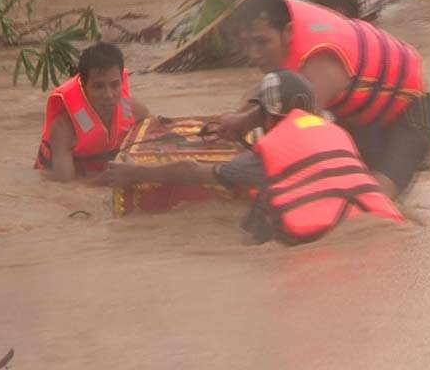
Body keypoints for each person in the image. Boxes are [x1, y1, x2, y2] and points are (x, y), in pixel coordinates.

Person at [105, 71, 403, 245]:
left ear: (268, 112)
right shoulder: (336, 134)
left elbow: (192, 171)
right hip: (376, 227)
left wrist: (136, 174)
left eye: (260, 111)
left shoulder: (271, 153)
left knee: (250, 227)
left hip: (322, 242)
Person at [218, 0, 430, 199]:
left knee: (375, 199)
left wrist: (210, 172)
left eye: (262, 43)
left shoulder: (323, 64)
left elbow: (287, 142)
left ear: (288, 32)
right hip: (359, 116)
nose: (253, 54)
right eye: (247, 43)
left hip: (409, 115)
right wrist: (239, 119)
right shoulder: (283, 14)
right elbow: (267, 94)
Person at [34, 42, 149, 183]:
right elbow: (64, 188)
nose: (108, 95)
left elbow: (158, 142)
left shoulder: (135, 111)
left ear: (122, 82)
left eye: (115, 85)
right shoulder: (64, 129)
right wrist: (103, 180)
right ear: (83, 85)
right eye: (98, 86)